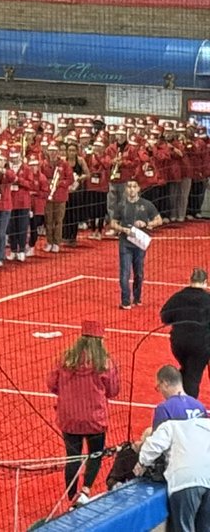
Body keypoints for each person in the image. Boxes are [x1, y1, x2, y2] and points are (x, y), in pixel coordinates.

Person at [46, 320, 120, 505]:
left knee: (72, 458)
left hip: (69, 418)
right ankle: (86, 490)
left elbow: (51, 384)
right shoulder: (105, 363)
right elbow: (113, 390)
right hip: (95, 420)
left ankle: (71, 496)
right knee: (95, 454)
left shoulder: (65, 359)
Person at [136, 411, 210, 531]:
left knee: (183, 527)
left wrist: (142, 463)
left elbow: (152, 447)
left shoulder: (171, 426)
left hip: (185, 480)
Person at [107, 180, 162, 310]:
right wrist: (122, 229)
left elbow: (159, 220)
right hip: (125, 243)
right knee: (124, 273)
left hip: (139, 244)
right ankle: (125, 301)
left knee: (139, 273)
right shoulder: (121, 206)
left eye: (134, 186)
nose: (131, 189)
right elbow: (113, 223)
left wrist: (147, 224)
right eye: (129, 186)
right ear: (126, 189)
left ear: (138, 189)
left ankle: (137, 297)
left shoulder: (146, 204)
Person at [160, 268, 210, 399]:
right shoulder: (207, 299)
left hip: (179, 344)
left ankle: (176, 394)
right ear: (205, 282)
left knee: (187, 370)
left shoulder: (178, 297)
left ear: (190, 281)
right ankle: (187, 404)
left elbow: (165, 316)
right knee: (193, 376)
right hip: (200, 345)